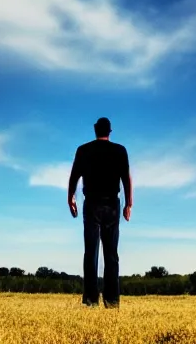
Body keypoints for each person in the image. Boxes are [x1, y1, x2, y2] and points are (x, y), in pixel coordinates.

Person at [67, 117, 133, 308]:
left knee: (91, 253)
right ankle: (112, 301)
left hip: (92, 205)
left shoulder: (84, 150)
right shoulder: (120, 151)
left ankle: (90, 301)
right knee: (111, 254)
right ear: (110, 131)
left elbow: (74, 177)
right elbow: (126, 179)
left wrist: (70, 198)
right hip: (112, 204)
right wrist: (129, 204)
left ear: (95, 130)